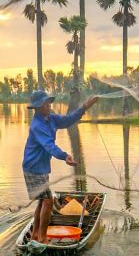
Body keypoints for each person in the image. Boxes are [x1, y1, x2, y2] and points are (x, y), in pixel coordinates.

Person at [22, 90, 99, 244]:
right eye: (45, 103)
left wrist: (84, 107)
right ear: (38, 107)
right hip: (33, 168)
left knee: (42, 200)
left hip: (41, 168)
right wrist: (65, 156)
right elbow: (49, 146)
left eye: (49, 102)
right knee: (48, 201)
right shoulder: (37, 125)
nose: (49, 105)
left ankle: (35, 235)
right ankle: (42, 239)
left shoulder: (50, 118)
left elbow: (68, 119)